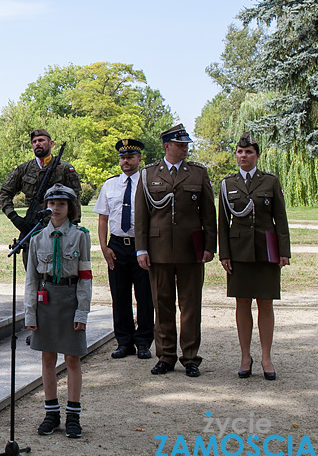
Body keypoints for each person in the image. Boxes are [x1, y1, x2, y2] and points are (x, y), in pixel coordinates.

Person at [134, 123, 217, 378]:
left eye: (186, 145)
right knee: (162, 304)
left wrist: (209, 246)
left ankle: (190, 357)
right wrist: (141, 249)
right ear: (166, 145)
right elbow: (141, 216)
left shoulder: (197, 173)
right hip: (158, 250)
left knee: (191, 305)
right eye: (180, 145)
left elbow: (208, 214)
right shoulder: (148, 175)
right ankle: (166, 356)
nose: (185, 149)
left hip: (191, 249)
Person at [218, 132, 291, 381]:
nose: (243, 156)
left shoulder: (270, 181)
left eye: (248, 152)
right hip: (238, 252)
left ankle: (266, 357)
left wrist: (284, 252)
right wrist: (224, 254)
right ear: (236, 155)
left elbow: (280, 219)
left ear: (257, 155)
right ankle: (245, 356)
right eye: (240, 152)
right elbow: (222, 223)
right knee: (241, 303)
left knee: (265, 303)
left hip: (266, 250)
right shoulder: (227, 184)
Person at [25, 184, 92, 438]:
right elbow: (31, 279)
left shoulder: (80, 236)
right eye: (51, 203)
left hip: (70, 299)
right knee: (47, 358)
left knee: (72, 358)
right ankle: (51, 413)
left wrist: (82, 312)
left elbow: (85, 276)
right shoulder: (36, 238)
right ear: (46, 206)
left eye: (62, 204)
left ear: (70, 207)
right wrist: (30, 313)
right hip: (46, 301)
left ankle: (73, 415)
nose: (56, 208)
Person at [93, 138, 154, 360]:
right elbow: (102, 219)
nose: (126, 161)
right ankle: (124, 341)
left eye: (130, 157)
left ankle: (144, 341)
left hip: (141, 246)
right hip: (117, 246)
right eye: (122, 157)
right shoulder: (110, 185)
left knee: (145, 296)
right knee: (119, 296)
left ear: (139, 159)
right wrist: (104, 247)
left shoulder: (148, 184)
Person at [0, 128, 81, 266]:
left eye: (41, 140)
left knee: (59, 271)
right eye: (34, 142)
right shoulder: (24, 169)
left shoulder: (65, 168)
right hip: (31, 227)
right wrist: (14, 217)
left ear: (51, 143)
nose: (37, 144)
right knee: (31, 270)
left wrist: (73, 225)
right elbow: (5, 192)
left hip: (59, 228)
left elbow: (75, 198)